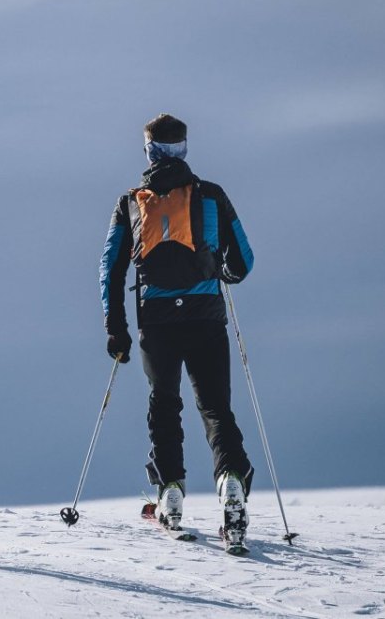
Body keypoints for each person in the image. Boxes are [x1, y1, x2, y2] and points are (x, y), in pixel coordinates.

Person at [99, 113, 254, 545]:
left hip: (158, 322)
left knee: (164, 405)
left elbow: (110, 268)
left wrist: (117, 330)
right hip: (206, 315)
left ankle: (169, 494)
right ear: (183, 148)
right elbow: (244, 260)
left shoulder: (131, 202)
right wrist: (223, 271)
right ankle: (231, 484)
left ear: (149, 151)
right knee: (216, 409)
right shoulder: (212, 197)